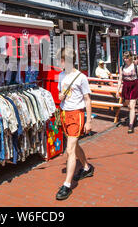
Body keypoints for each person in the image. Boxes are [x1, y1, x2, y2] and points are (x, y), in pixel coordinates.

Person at [56, 48, 94, 201]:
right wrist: (60, 96)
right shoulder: (61, 75)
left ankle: (66, 185)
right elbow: (60, 94)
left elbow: (87, 99)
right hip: (64, 113)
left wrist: (89, 120)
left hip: (76, 114)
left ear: (67, 61)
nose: (59, 63)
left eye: (61, 60)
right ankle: (86, 167)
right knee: (75, 145)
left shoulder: (81, 77)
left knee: (70, 149)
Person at [117, 51, 138, 134]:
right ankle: (132, 117)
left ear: (130, 58)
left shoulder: (136, 67)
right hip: (126, 86)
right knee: (127, 104)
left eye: (127, 57)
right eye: (124, 58)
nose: (125, 59)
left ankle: (131, 125)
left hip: (134, 86)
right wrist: (117, 90)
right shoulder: (122, 67)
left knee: (132, 106)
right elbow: (120, 79)